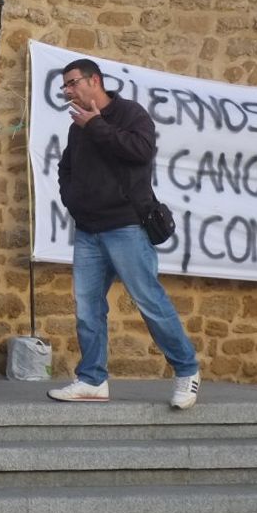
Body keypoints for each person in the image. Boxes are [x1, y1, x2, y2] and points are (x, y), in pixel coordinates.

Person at [50, 57, 200, 408]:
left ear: (95, 81)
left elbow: (140, 152)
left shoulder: (130, 115)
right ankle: (92, 379)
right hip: (89, 230)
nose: (68, 91)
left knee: (149, 301)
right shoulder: (78, 127)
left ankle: (187, 371)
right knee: (88, 308)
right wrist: (73, 199)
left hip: (127, 227)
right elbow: (66, 168)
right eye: (65, 86)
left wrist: (97, 125)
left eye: (72, 83)